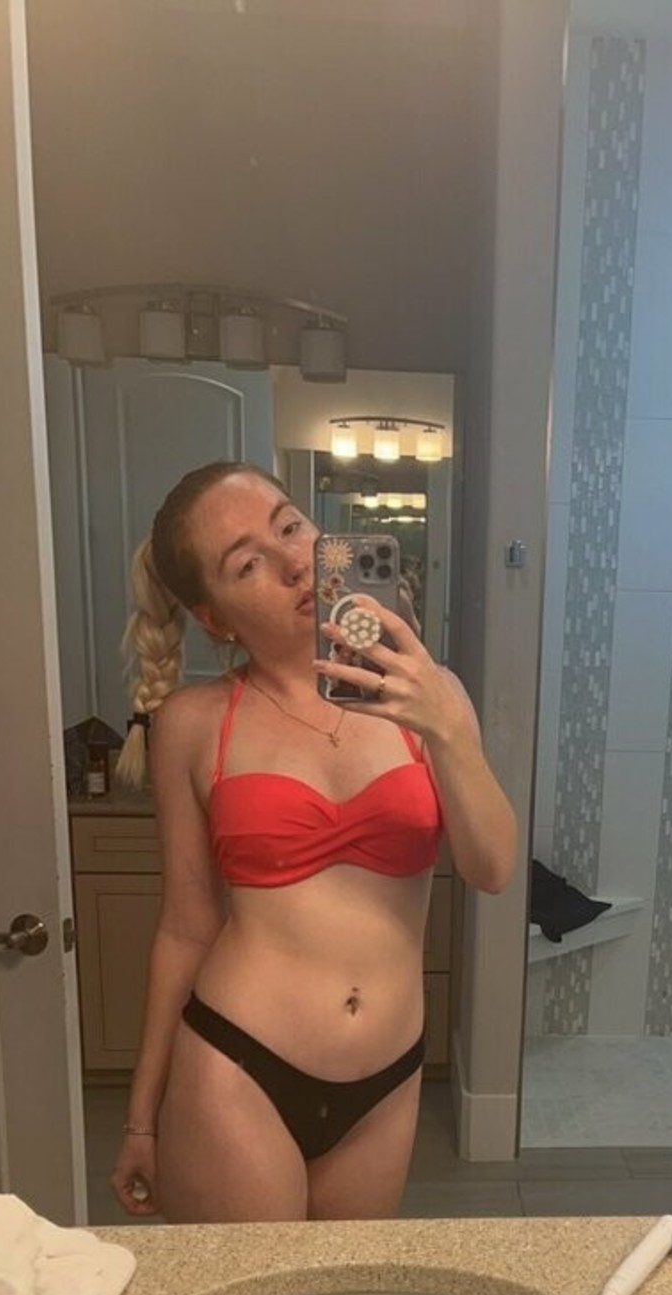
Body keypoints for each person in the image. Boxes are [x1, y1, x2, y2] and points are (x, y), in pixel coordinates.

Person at [110, 461, 516, 1224]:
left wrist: (444, 726)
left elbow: (491, 868)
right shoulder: (194, 723)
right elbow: (186, 928)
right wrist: (140, 1121)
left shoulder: (433, 696)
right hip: (237, 1065)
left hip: (387, 1081)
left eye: (290, 526)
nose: (294, 563)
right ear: (214, 618)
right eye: (247, 564)